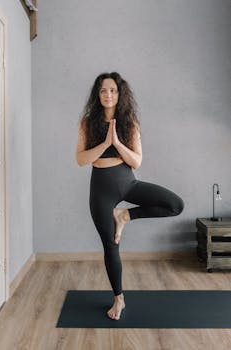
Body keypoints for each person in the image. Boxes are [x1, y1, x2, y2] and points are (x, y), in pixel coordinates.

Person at [76, 72, 184, 321]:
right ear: (97, 94)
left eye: (113, 90)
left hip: (127, 183)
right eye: (103, 91)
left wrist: (117, 142)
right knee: (111, 246)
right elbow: (80, 160)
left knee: (175, 204)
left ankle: (125, 215)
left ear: (120, 93)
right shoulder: (87, 122)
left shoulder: (129, 122)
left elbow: (136, 161)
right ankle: (119, 298)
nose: (108, 95)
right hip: (100, 190)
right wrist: (104, 144)